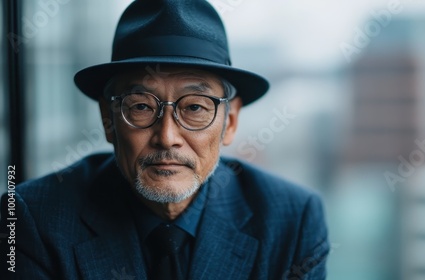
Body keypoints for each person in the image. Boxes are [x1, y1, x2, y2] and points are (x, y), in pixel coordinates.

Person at [0, 0, 329, 279]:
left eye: (195, 108)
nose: (167, 137)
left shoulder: (293, 219)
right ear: (108, 119)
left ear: (230, 122)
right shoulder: (32, 218)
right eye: (141, 106)